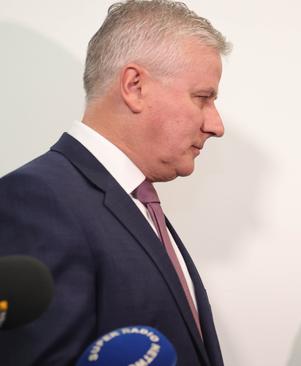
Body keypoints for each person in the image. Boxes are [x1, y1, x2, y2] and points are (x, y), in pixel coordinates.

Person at [0, 1, 230, 365]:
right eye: (202, 98)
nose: (216, 125)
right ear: (134, 86)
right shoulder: (36, 201)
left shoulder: (137, 203)